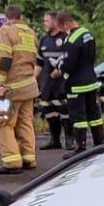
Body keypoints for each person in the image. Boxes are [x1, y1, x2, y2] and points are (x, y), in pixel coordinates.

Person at [0, 4, 39, 174]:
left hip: (11, 87)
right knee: (25, 122)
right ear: (21, 16)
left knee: (2, 123)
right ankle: (28, 158)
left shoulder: (6, 32)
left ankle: (11, 161)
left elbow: (4, 61)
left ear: (7, 17)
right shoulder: (30, 33)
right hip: (29, 86)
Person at [54, 11, 103, 156]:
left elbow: (69, 65)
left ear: (66, 23)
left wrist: (60, 68)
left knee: (78, 117)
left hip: (77, 85)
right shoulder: (88, 34)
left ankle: (80, 148)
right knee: (95, 115)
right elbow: (92, 57)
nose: (62, 31)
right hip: (91, 80)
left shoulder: (71, 40)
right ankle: (99, 144)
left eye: (62, 28)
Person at [37, 11, 71, 151]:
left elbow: (71, 60)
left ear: (55, 22)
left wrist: (60, 71)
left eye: (47, 21)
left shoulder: (66, 38)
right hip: (48, 84)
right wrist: (33, 79)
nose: (44, 23)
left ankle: (70, 139)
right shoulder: (44, 40)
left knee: (65, 111)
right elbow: (39, 63)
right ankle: (54, 140)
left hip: (62, 83)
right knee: (49, 111)